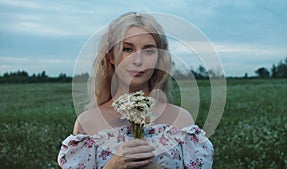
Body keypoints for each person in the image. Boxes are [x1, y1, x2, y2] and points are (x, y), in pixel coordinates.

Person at [58, 12, 214, 169]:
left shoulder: (181, 121)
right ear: (111, 56)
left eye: (148, 50)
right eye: (127, 49)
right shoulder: (88, 123)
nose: (138, 60)